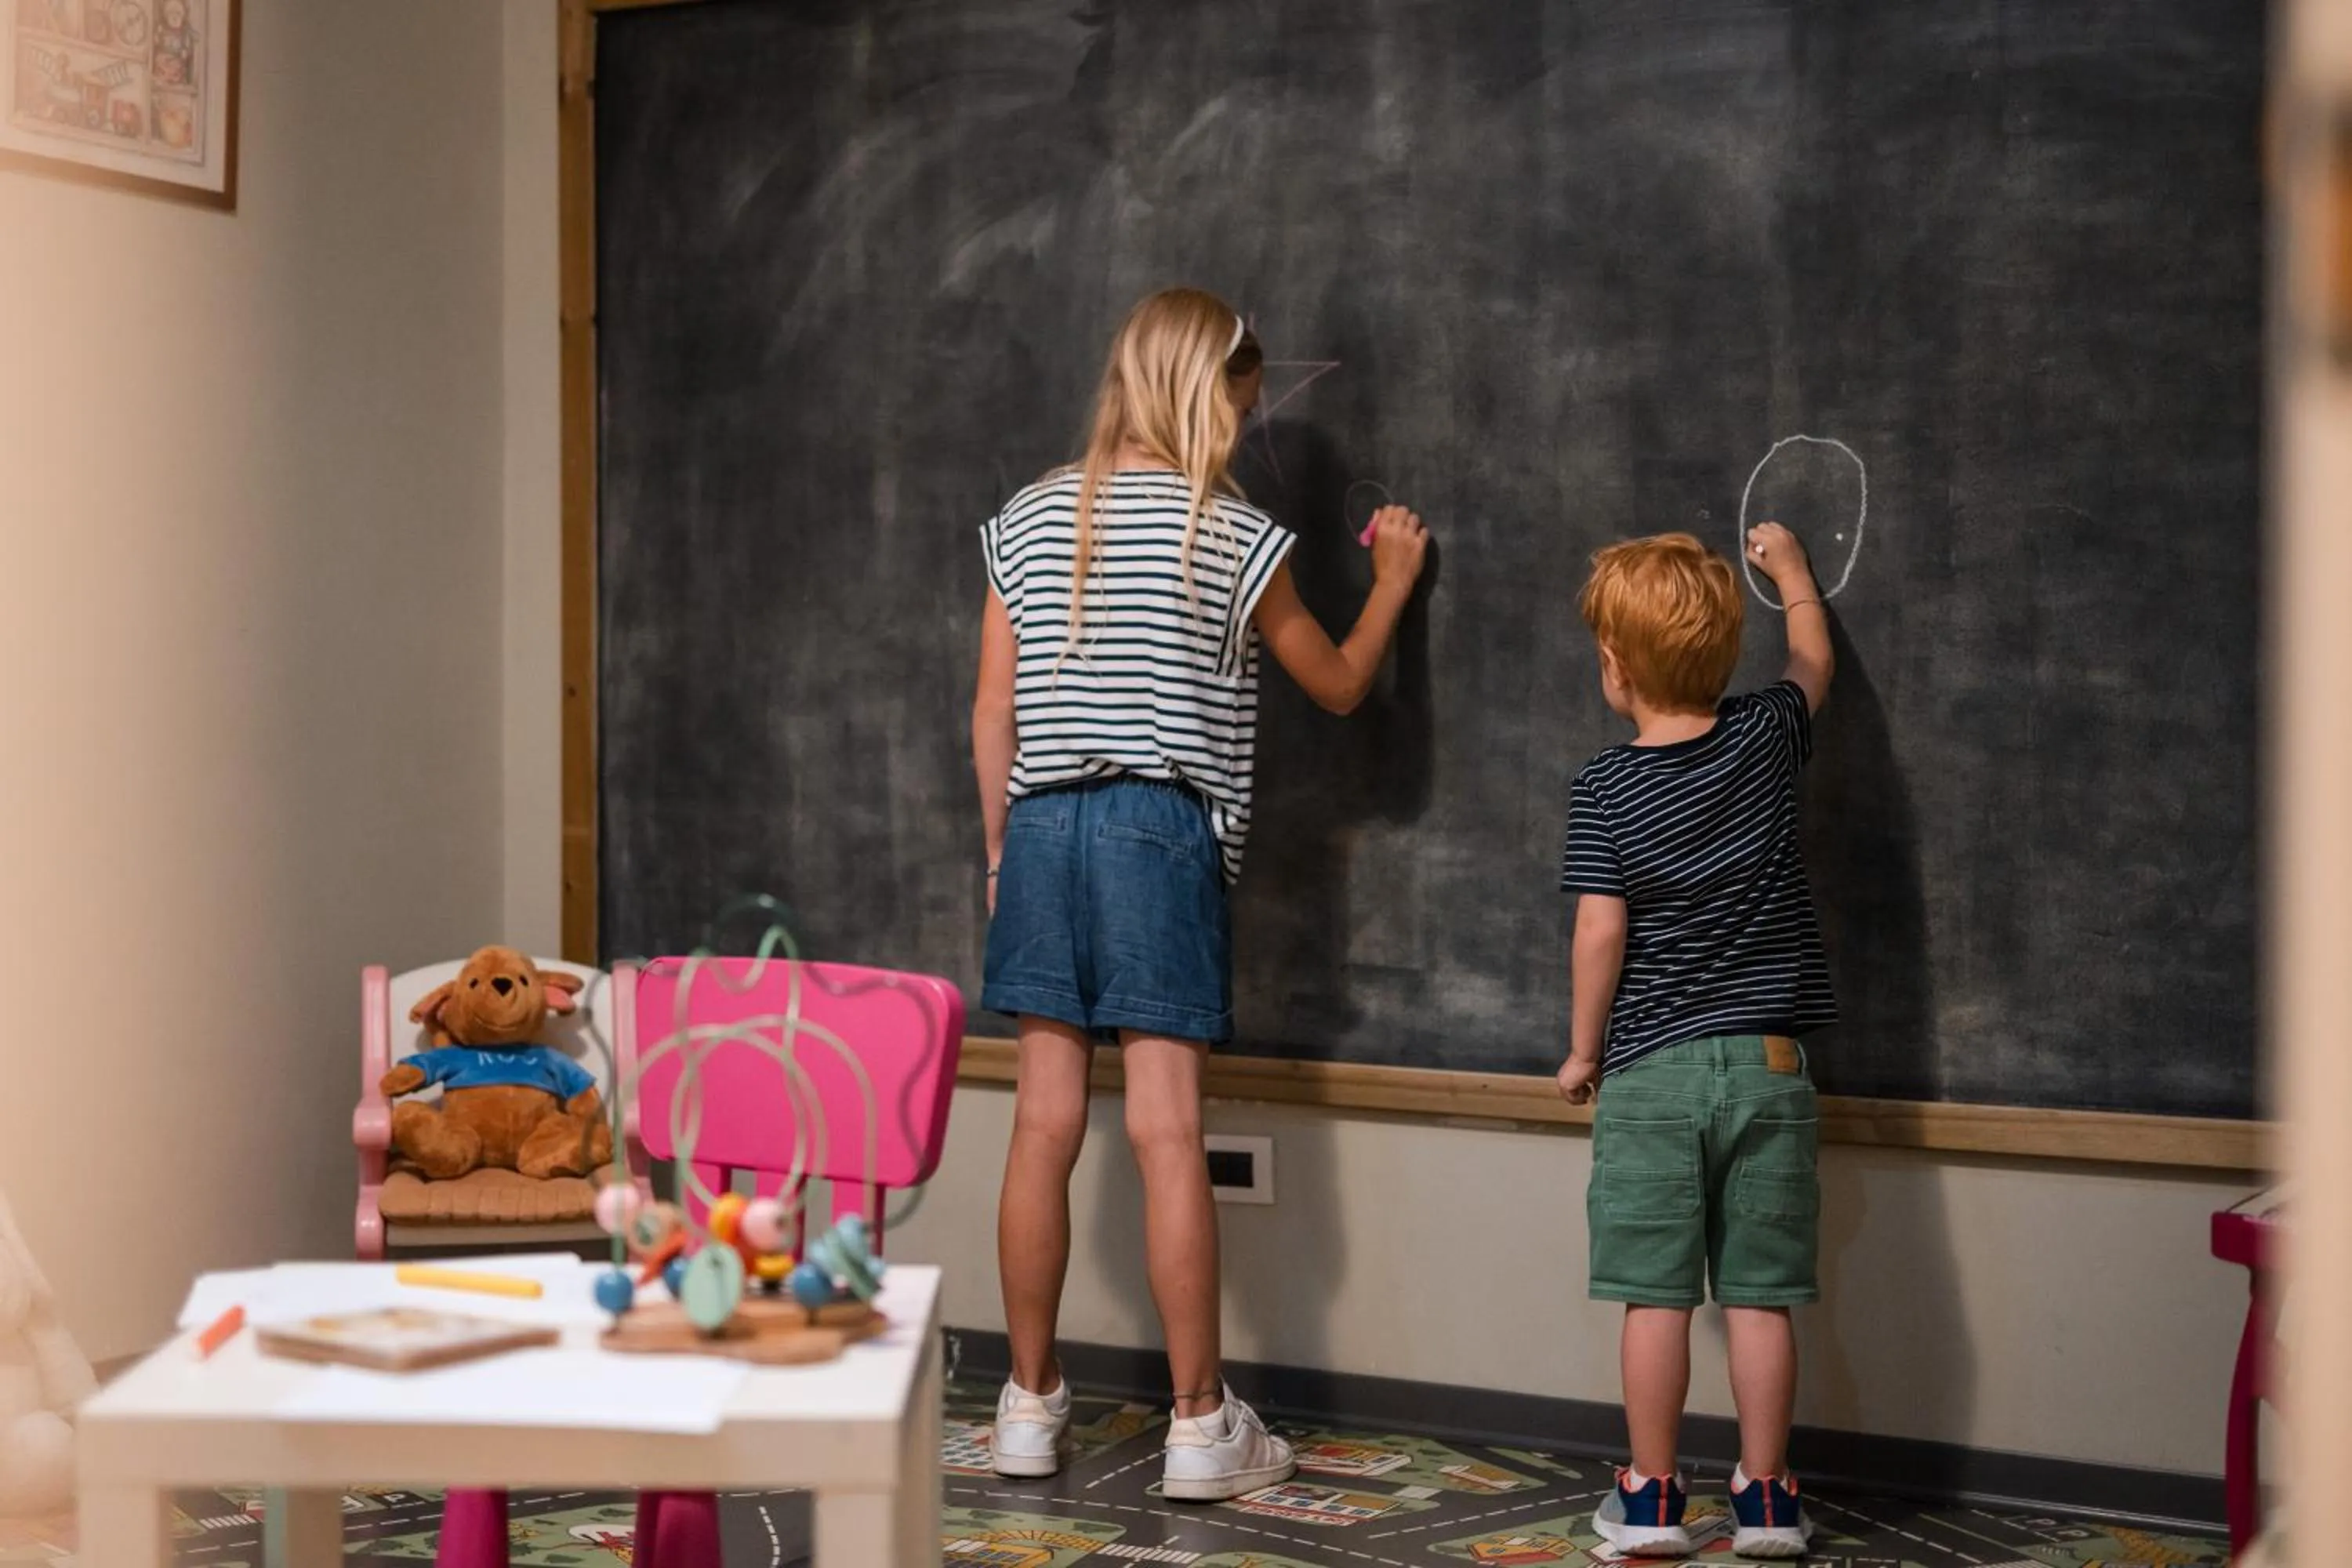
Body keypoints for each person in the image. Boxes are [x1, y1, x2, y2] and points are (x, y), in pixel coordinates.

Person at [971, 286, 1428, 1499]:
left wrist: (1001, 852)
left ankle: (1025, 1406)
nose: (1244, 418)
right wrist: (1390, 584)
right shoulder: (1224, 534)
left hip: (1043, 827)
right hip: (1154, 831)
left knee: (1042, 1125)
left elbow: (993, 713)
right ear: (1204, 390)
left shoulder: (1027, 516)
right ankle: (1197, 1426)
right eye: (1240, 395)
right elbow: (1333, 686)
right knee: (1169, 1130)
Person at [1556, 526, 1835, 1558]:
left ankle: (1652, 1498)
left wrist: (1584, 1051)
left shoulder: (1605, 788)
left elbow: (1601, 929)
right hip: (1770, 1068)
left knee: (1657, 1296)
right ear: (1721, 657)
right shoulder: (1766, 735)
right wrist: (1796, 579)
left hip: (1652, 1074)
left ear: (1617, 669)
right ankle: (1767, 1499)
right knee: (1761, 1298)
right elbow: (1813, 662)